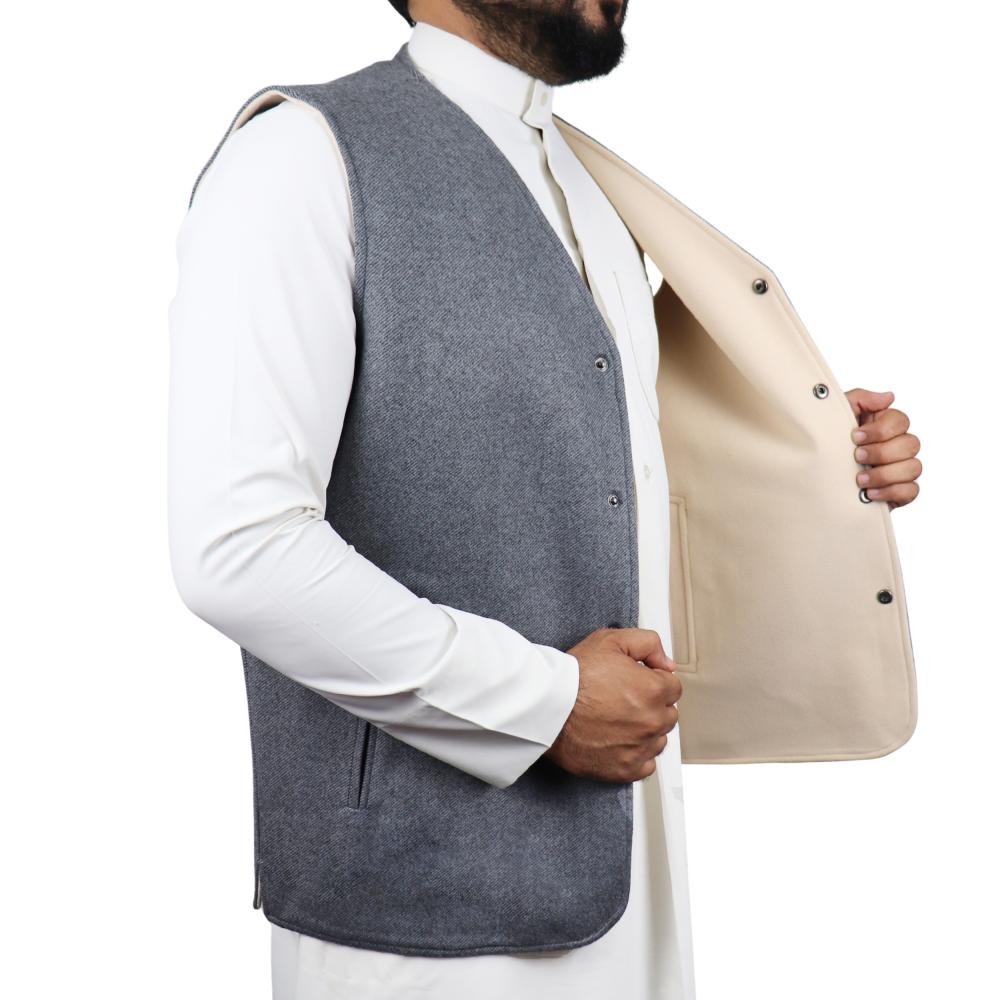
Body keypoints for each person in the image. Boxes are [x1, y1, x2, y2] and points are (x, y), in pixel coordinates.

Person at [168, 3, 923, 998]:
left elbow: (596, 472)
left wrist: (824, 464)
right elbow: (237, 546)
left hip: (632, 879)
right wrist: (546, 702)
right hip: (417, 924)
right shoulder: (296, 159)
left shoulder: (592, 184)